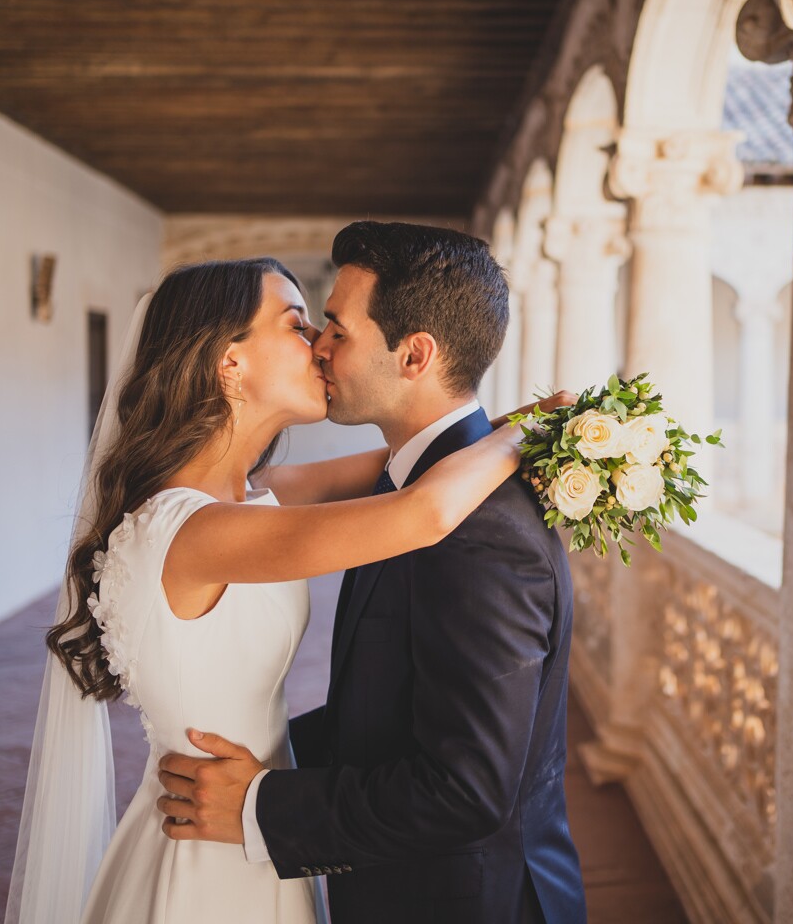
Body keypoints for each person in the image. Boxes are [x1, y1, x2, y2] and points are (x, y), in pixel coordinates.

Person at [5, 250, 573, 924]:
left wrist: (504, 420)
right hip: (214, 855)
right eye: (299, 326)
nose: (322, 348)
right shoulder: (199, 533)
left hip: (247, 816)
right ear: (229, 361)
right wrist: (536, 432)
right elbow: (422, 511)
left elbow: (400, 468)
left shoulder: (253, 497)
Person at [155, 222, 588, 923]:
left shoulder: (477, 533)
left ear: (415, 354)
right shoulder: (412, 490)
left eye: (335, 329)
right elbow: (388, 708)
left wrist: (263, 803)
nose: (319, 348)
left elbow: (467, 791)